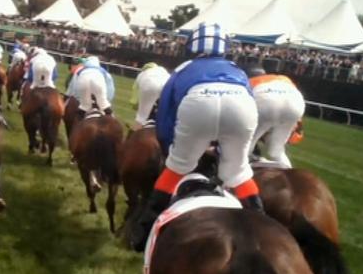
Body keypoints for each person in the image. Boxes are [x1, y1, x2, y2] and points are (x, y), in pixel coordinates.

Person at [147, 22, 262, 222]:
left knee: (177, 167)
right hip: (242, 106)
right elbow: (250, 106)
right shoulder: (238, 70)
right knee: (238, 171)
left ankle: (145, 226)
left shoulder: (183, 69)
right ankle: (262, 220)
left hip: (198, 104)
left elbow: (165, 115)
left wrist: (170, 151)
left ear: (193, 46)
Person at [246, 67, 305, 168]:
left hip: (266, 103)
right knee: (276, 151)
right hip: (296, 104)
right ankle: (288, 170)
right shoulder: (282, 78)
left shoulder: (247, 82)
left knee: (246, 148)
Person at [129, 62, 170, 130]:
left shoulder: (142, 74)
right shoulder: (163, 71)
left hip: (149, 85)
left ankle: (132, 137)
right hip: (167, 85)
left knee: (141, 118)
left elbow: (134, 101)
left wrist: (139, 109)